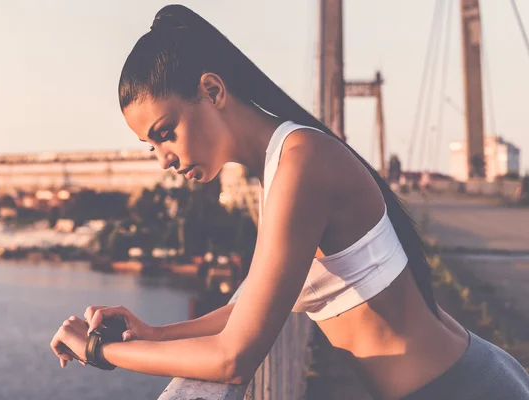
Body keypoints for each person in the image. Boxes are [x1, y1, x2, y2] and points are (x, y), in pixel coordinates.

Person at [50, 5, 529, 399]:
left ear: (212, 90)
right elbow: (258, 304)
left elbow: (233, 360)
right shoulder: (281, 166)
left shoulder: (301, 163)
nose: (163, 160)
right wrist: (154, 334)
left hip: (459, 387)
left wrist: (99, 351)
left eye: (165, 133)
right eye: (151, 147)